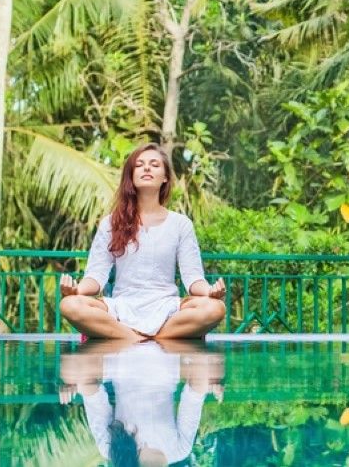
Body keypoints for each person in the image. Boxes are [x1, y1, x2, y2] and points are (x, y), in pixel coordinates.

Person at [60, 143, 226, 340]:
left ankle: (131, 337)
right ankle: (144, 339)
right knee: (69, 304)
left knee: (215, 308)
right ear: (131, 175)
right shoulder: (111, 223)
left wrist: (210, 291)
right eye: (139, 165)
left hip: (167, 308)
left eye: (154, 164)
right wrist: (76, 290)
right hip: (122, 307)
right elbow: (96, 276)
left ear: (165, 177)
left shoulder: (181, 224)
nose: (146, 168)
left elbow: (193, 279)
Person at [59, 338, 225, 467]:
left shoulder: (112, 451)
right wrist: (207, 383)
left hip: (121, 362)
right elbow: (193, 397)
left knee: (70, 373)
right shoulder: (180, 449)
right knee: (214, 368)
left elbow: (94, 398)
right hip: (166, 362)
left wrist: (77, 384)